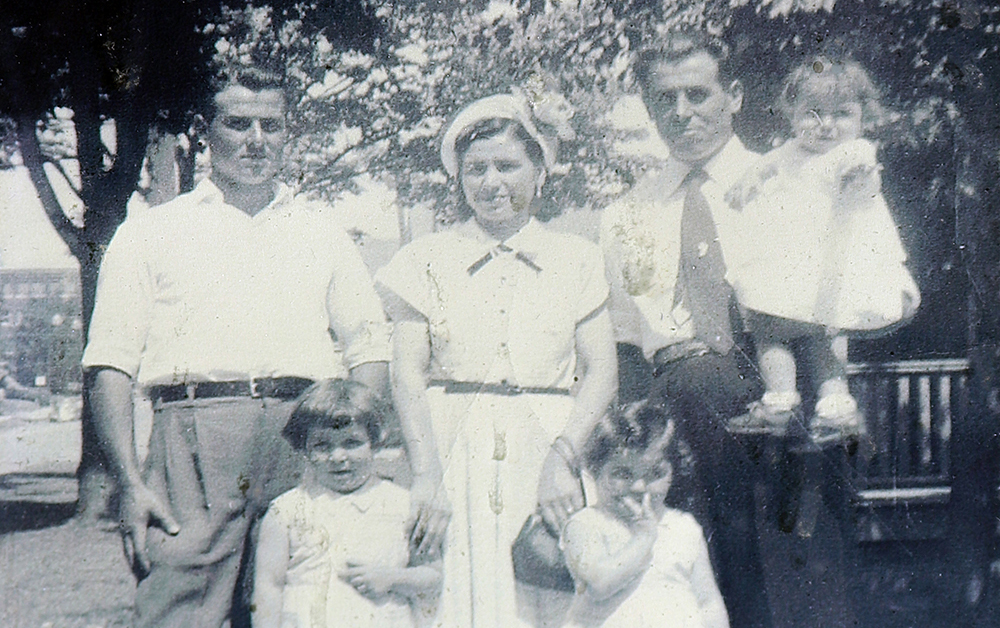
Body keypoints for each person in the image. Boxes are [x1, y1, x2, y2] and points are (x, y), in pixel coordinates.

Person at [82, 63, 391, 628]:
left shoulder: (321, 230)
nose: (256, 140)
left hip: (303, 437)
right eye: (238, 123)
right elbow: (110, 362)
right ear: (206, 130)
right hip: (193, 442)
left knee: (305, 604)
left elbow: (370, 344)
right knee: (178, 609)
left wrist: (352, 438)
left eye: (271, 126)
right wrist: (128, 483)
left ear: (287, 133)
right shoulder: (152, 230)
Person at [376, 92, 618, 628]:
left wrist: (564, 460)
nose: (492, 183)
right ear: (458, 179)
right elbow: (407, 374)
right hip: (452, 449)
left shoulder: (577, 258)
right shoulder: (424, 259)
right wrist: (426, 476)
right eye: (476, 169)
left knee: (548, 593)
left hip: (549, 450)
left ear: (540, 172)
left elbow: (602, 373)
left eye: (507, 166)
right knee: (459, 596)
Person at [600, 30, 772, 627]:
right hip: (676, 404)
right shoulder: (626, 213)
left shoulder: (783, 182)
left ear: (736, 96)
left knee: (784, 578)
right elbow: (624, 342)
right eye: (664, 99)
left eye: (698, 94)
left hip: (774, 387)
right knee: (689, 585)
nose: (682, 113)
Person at [724, 57, 920, 444]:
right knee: (769, 324)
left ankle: (832, 404)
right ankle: (783, 400)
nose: (827, 125)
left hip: (834, 263)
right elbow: (764, 167)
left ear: (863, 117)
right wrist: (746, 180)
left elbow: (862, 173)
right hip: (792, 262)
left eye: (842, 114)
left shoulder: (852, 152)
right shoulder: (788, 152)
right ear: (791, 113)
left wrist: (856, 179)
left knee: (826, 330)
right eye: (813, 113)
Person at [252, 379, 440, 628]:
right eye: (322, 446)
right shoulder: (285, 511)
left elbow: (434, 576)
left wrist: (393, 578)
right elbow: (269, 588)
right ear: (304, 449)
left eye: (352, 443)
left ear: (376, 441)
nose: (338, 457)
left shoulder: (403, 505)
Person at [561, 401, 728, 628]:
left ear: (675, 471)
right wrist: (643, 539)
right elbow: (599, 584)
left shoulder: (684, 527)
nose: (639, 486)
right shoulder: (586, 525)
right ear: (595, 469)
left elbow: (708, 601)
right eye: (622, 473)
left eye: (654, 473)